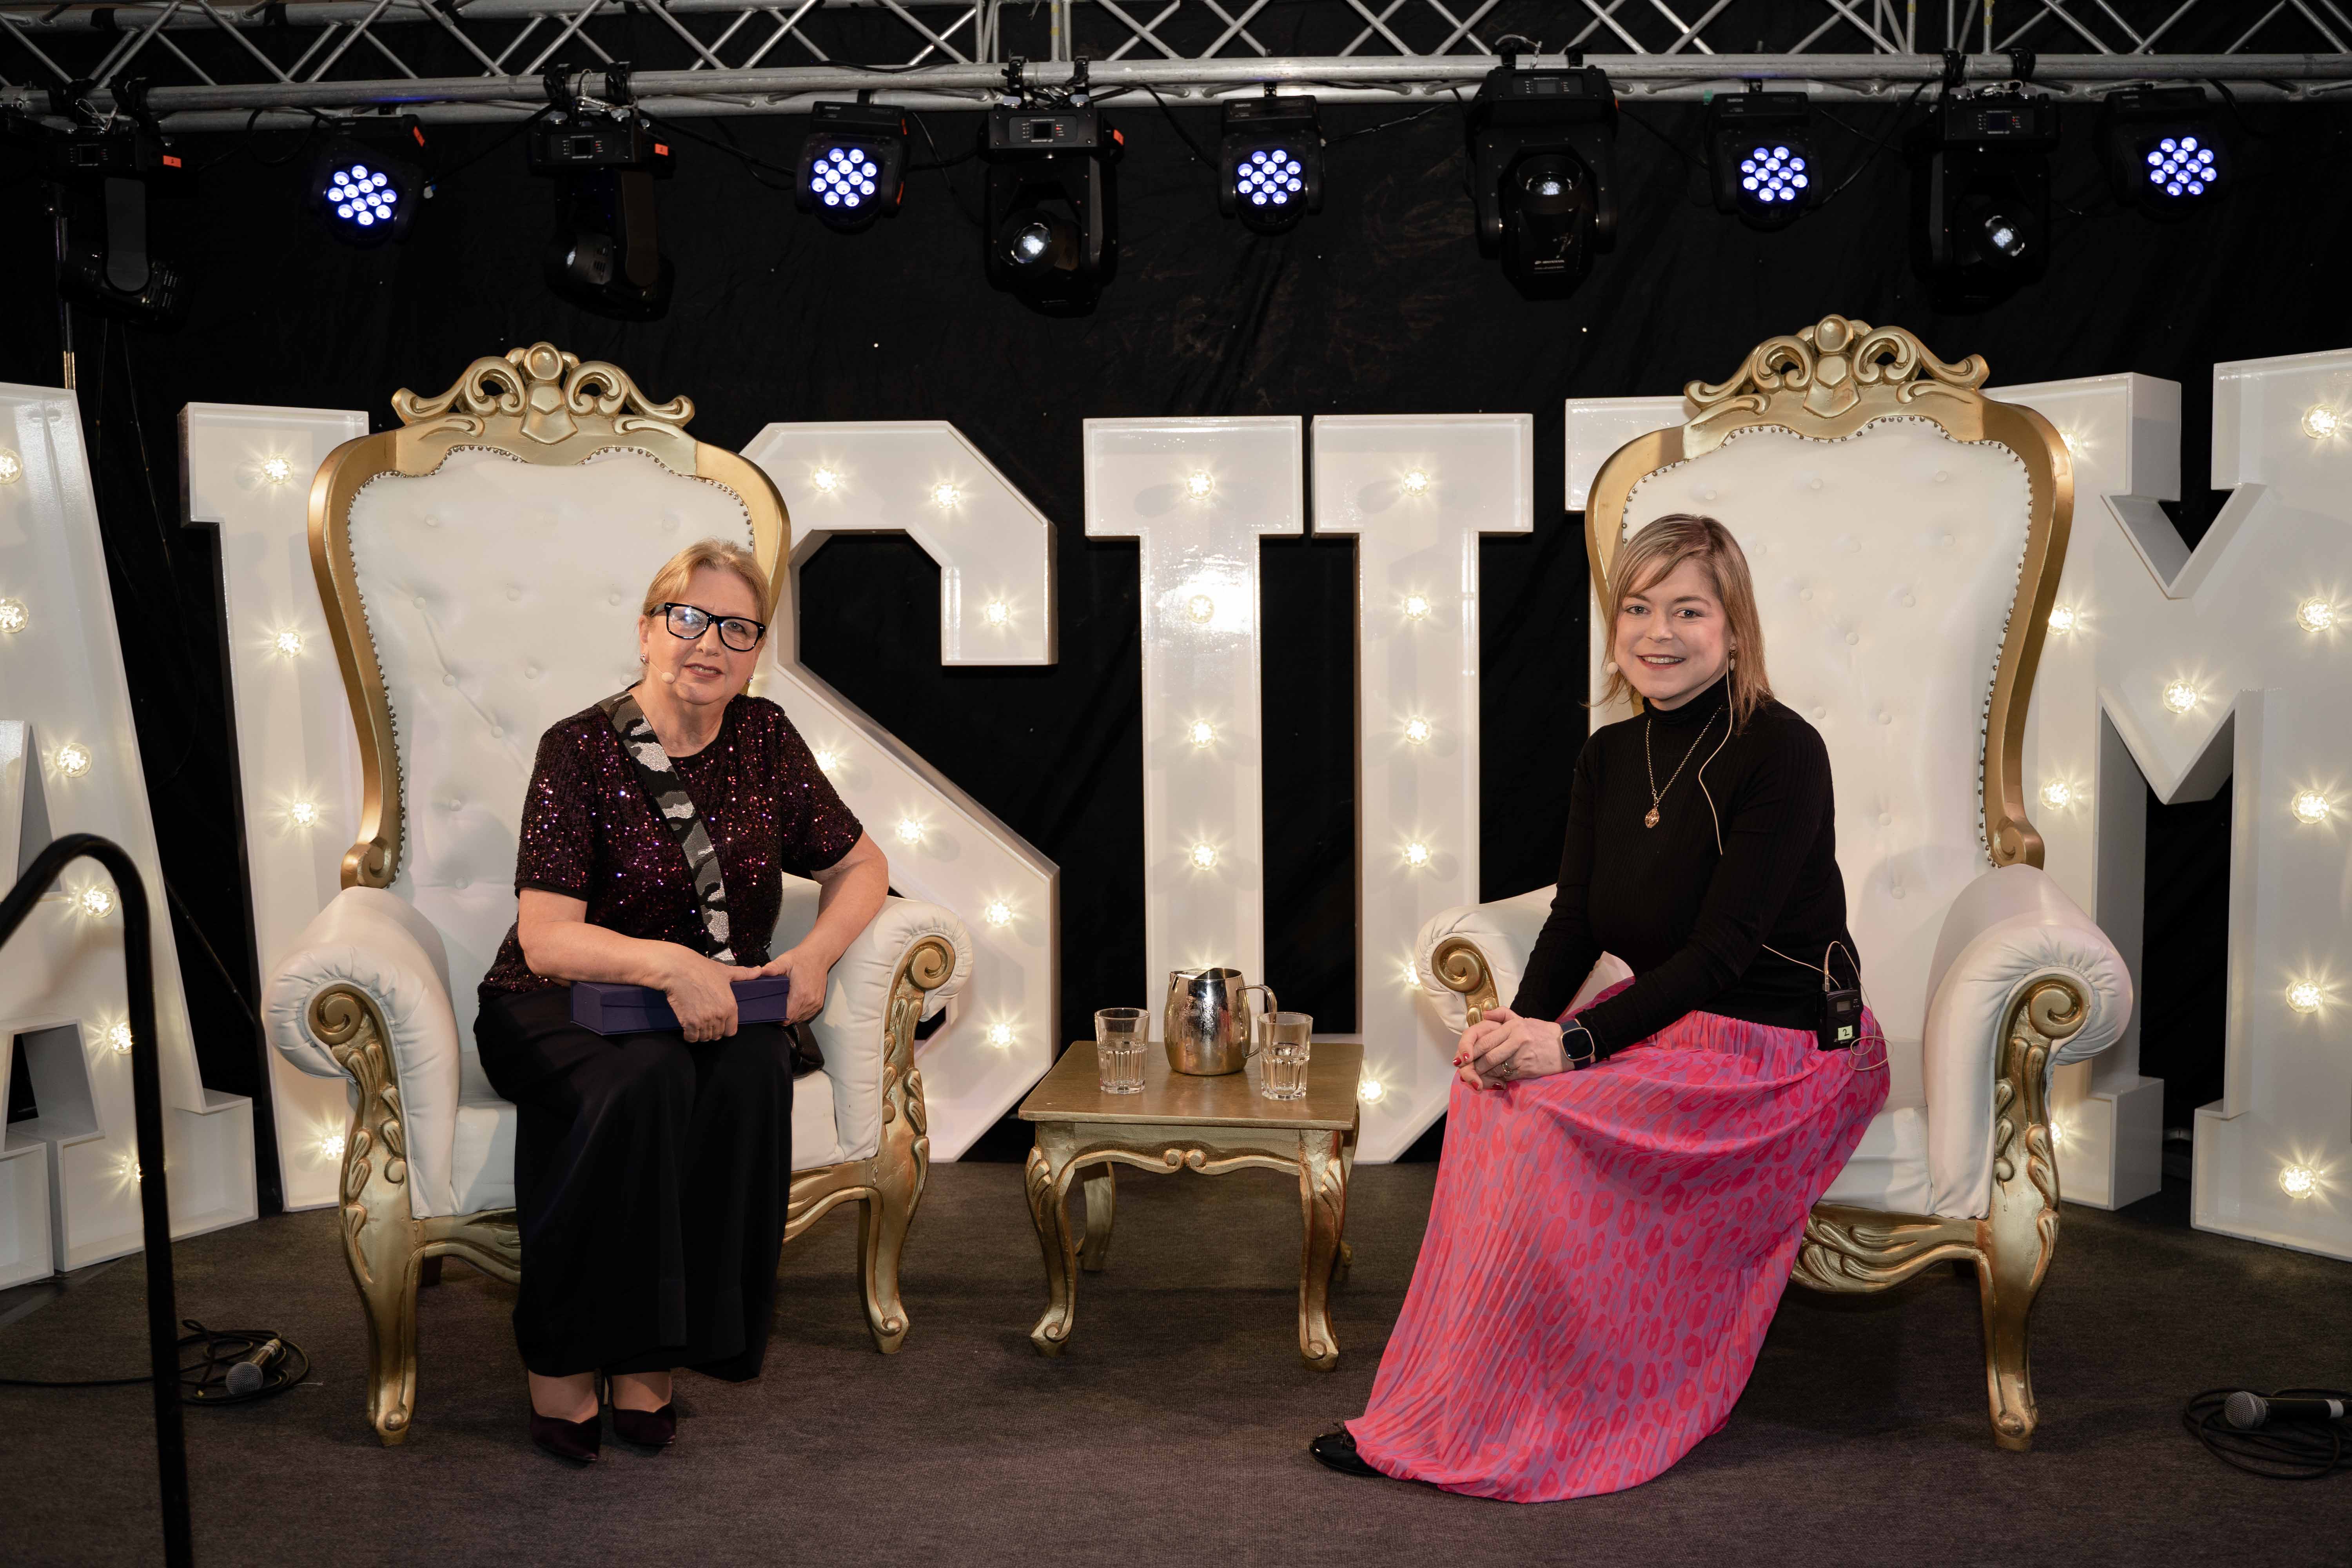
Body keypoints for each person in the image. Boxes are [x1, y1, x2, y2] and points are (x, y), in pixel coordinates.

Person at [1310, 513, 1889, 1501]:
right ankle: (1456, 1403)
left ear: (1735, 629)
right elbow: (1575, 918)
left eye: (1689, 610)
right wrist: (1517, 1024)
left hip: (1785, 1048)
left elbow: (1724, 950)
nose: (1659, 632)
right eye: (1638, 607)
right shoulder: (1608, 754)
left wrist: (1573, 1044)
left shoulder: (1784, 750)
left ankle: (1563, 1411)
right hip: (1673, 1021)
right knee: (1489, 1091)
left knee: (1545, 1117)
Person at [474, 538, 889, 1464]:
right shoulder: (578, 747)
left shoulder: (766, 737)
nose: (710, 643)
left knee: (750, 1071)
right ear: (647, 630)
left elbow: (862, 863)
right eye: (690, 618)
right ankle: (562, 1354)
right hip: (554, 998)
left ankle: (650, 1354)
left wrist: (815, 956)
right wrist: (670, 966)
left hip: (710, 1000)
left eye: (737, 628)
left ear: (757, 651)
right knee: (642, 1085)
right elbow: (547, 938)